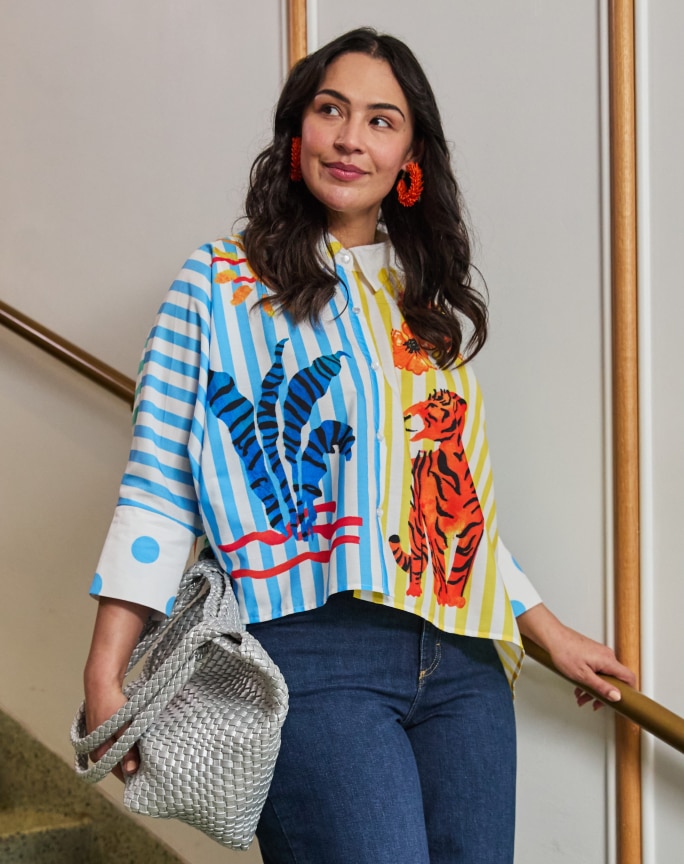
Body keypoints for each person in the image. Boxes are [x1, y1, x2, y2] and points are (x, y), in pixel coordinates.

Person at [83, 27, 635, 864]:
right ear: (295, 131)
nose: (350, 138)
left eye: (382, 120)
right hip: (310, 648)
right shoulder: (219, 284)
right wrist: (105, 672)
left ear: (410, 154)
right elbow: (159, 483)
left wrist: (546, 629)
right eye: (330, 110)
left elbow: (446, 506)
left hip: (462, 662)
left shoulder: (422, 308)